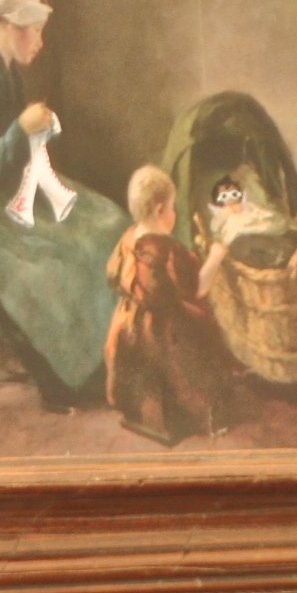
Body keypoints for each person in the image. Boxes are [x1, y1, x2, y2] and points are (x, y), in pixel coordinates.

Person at [0, 0, 126, 408]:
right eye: (35, 30)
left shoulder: (1, 65)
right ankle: (76, 372)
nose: (39, 43)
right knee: (78, 248)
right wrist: (21, 128)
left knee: (109, 220)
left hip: (11, 185)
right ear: (9, 25)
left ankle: (113, 353)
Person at [104, 166, 233, 445]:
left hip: (129, 323)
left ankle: (141, 418)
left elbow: (113, 275)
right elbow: (197, 288)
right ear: (160, 209)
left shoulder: (128, 239)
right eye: (172, 207)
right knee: (204, 339)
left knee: (141, 376)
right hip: (165, 329)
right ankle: (187, 417)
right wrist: (216, 256)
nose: (174, 213)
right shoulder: (169, 250)